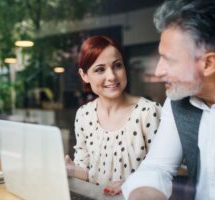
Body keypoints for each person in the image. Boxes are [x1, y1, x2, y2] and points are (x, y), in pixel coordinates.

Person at [122, 0, 215, 199]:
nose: (158, 71)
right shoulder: (178, 99)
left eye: (169, 60)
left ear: (208, 63)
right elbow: (157, 167)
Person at [65, 35, 162, 195]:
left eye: (117, 65)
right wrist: (71, 169)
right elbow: (88, 172)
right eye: (100, 69)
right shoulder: (84, 114)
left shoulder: (148, 112)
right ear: (84, 75)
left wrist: (131, 183)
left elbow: (161, 172)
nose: (112, 76)